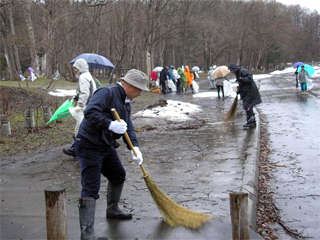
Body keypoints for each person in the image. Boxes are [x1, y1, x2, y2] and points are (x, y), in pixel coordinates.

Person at [74, 69, 149, 239]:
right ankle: (87, 234)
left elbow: (128, 125)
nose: (139, 93)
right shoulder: (106, 93)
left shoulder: (125, 101)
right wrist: (109, 124)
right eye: (138, 89)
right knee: (91, 187)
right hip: (89, 144)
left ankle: (112, 209)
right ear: (128, 85)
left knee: (118, 175)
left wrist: (135, 147)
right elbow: (90, 112)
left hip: (105, 145)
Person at [63, 58, 97, 157]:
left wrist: (80, 105)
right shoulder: (87, 76)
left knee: (81, 128)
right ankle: (77, 148)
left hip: (87, 107)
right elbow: (81, 91)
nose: (75, 71)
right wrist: (74, 99)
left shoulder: (83, 77)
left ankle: (77, 149)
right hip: (90, 105)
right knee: (85, 128)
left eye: (76, 68)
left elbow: (85, 93)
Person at [228, 63, 262, 128]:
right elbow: (242, 84)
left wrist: (242, 79)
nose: (231, 72)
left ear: (234, 69)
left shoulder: (242, 71)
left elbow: (249, 78)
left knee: (248, 107)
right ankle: (251, 122)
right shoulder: (238, 73)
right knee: (247, 107)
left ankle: (251, 122)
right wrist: (239, 91)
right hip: (246, 92)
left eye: (231, 70)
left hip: (249, 92)